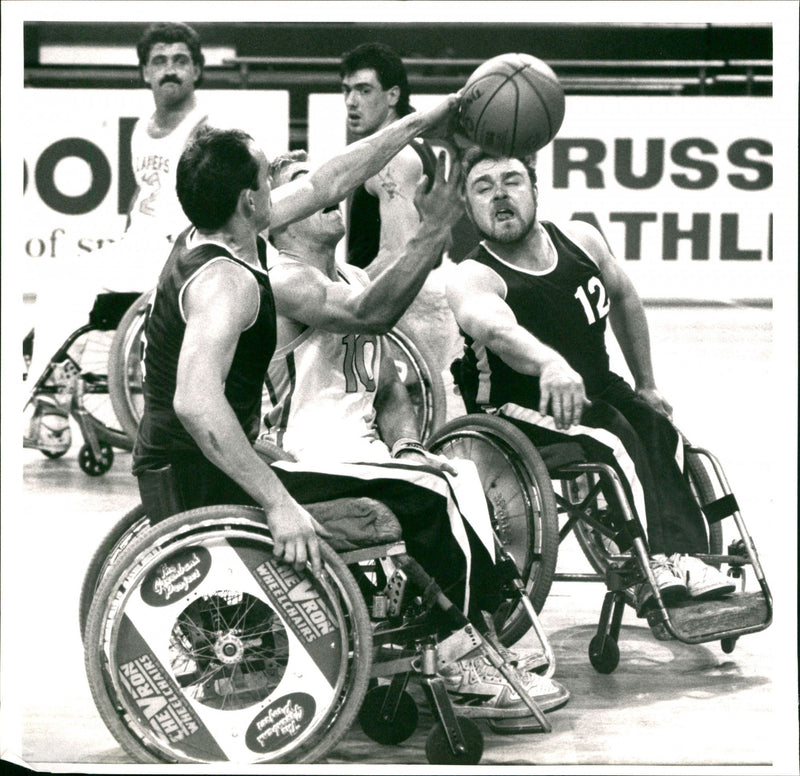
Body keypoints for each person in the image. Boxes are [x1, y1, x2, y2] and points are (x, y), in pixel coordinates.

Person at [259, 149, 570, 722]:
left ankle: (481, 637)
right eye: (304, 186)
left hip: (365, 454)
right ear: (279, 217)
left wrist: (406, 445)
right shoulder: (283, 280)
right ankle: (457, 656)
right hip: (300, 457)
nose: (326, 191)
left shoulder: (352, 277)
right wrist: (430, 232)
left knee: (458, 473)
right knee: (430, 494)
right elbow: (368, 315)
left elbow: (390, 392)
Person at [447, 149, 736, 615]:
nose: (499, 194)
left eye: (512, 181)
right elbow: (497, 330)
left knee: (663, 430)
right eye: (483, 187)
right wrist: (549, 365)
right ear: (468, 206)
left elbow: (623, 297)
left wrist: (647, 383)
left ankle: (686, 558)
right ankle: (651, 564)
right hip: (517, 409)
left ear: (536, 190)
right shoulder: (472, 276)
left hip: (599, 389)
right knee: (614, 443)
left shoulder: (581, 240)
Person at [24, 22, 208, 455]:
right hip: (140, 244)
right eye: (159, 61)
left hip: (176, 250)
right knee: (55, 284)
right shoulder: (142, 128)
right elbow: (143, 193)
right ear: (144, 72)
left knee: (70, 288)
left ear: (197, 70)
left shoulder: (204, 129)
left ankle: (42, 398)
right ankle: (50, 393)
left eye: (180, 61)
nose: (170, 70)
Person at [339, 42, 475, 396]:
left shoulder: (394, 159)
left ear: (392, 95)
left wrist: (335, 294)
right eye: (346, 90)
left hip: (407, 315)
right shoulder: (414, 149)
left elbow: (400, 253)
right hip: (426, 311)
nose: (351, 101)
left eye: (364, 90)